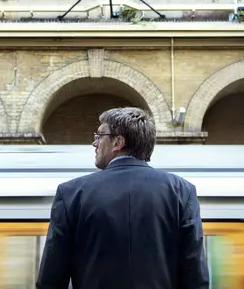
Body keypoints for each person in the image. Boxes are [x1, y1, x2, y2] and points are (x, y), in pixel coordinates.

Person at [36, 107, 210, 289]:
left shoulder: (71, 193)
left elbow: (51, 278)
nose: (94, 143)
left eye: (99, 136)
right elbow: (195, 274)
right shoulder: (181, 191)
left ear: (118, 142)